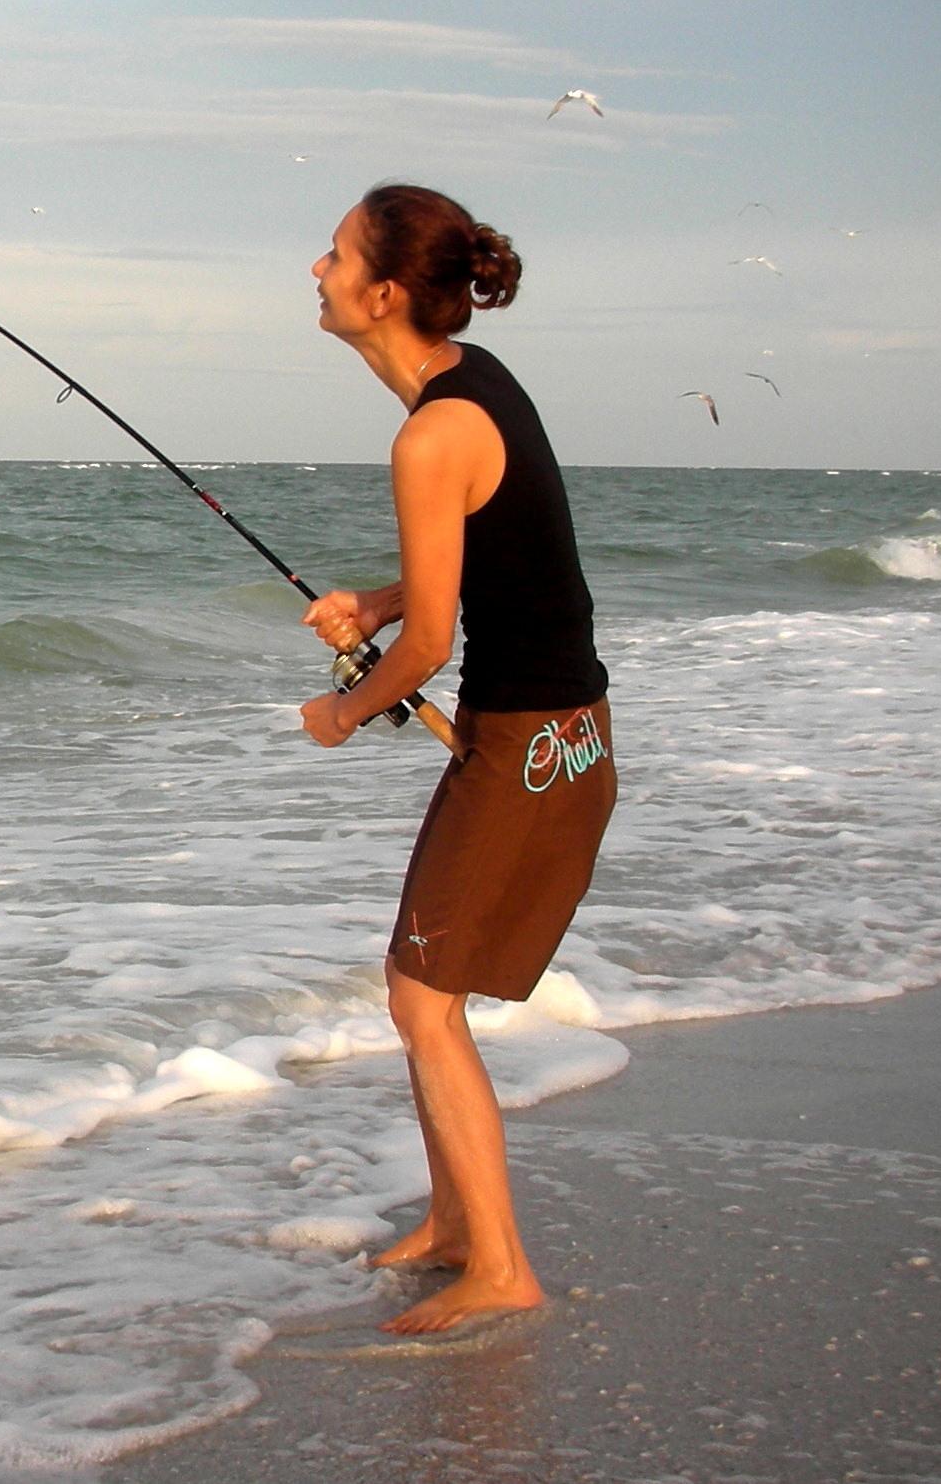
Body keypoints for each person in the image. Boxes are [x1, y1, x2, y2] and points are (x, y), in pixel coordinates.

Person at [295, 183, 616, 1335]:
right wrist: (374, 603)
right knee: (421, 992)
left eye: (333, 257)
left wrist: (342, 714)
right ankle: (453, 1223)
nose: (316, 272)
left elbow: (435, 642)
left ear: (384, 293)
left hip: (527, 750)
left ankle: (502, 1267)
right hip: (565, 741)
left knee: (424, 1002)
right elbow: (482, 570)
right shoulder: (478, 389)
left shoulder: (430, 432)